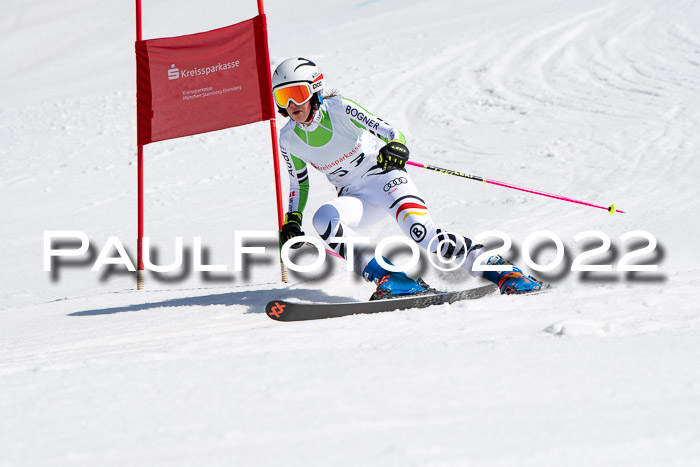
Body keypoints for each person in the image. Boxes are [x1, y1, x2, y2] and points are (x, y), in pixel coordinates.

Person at [272, 57, 547, 299]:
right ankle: (394, 279)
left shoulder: (340, 109)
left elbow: (391, 132)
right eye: (284, 98)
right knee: (324, 219)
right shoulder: (288, 139)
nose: (293, 104)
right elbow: (299, 182)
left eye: (298, 93)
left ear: (316, 90)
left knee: (426, 237)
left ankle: (504, 272)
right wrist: (292, 220)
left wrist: (396, 147)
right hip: (354, 196)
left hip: (384, 178)